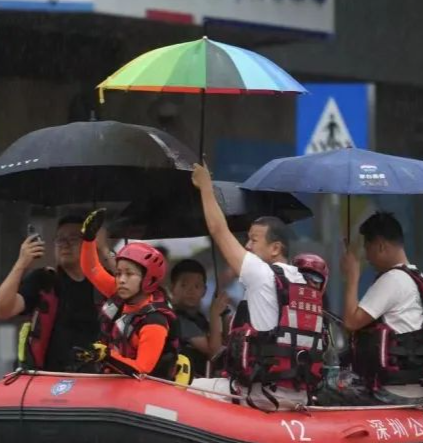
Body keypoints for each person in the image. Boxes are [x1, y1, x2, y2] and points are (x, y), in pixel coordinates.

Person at [190, 162, 326, 405]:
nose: (247, 247)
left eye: (253, 240)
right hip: (299, 395)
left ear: (275, 248)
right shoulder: (305, 283)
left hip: (261, 395)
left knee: (192, 386)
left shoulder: (261, 273)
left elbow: (218, 230)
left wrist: (205, 188)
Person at [341, 211, 423, 400]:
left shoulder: (393, 279)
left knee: (328, 391)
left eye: (367, 249)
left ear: (380, 246)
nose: (367, 258)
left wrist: (352, 276)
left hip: (395, 391)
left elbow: (351, 322)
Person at [0, 215, 105, 372]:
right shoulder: (45, 280)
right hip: (48, 377)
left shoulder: (104, 283)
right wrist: (21, 263)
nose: (64, 245)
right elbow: (2, 310)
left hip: (97, 379)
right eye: (59, 239)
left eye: (73, 239)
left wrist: (104, 250)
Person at [78, 209, 179, 377]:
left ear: (148, 279)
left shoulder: (155, 321)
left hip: (147, 389)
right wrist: (88, 239)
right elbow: (91, 269)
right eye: (118, 273)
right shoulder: (120, 292)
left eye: (129, 274)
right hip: (114, 379)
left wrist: (106, 356)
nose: (121, 280)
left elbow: (142, 369)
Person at [169, 258, 229, 379]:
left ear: (204, 291)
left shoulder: (199, 318)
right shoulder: (176, 319)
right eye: (184, 285)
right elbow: (214, 352)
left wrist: (224, 316)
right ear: (172, 288)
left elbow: (223, 343)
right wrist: (214, 315)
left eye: (197, 286)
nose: (191, 291)